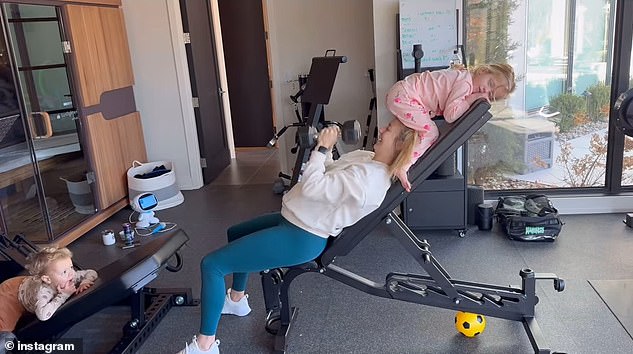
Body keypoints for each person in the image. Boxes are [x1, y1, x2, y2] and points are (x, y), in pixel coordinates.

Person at [178, 119, 418, 354]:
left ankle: (204, 345)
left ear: (398, 145)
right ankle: (237, 300)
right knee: (236, 233)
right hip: (294, 219)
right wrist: (329, 151)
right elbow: (331, 174)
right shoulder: (367, 158)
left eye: (389, 129)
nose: (382, 129)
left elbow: (313, 187)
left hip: (301, 237)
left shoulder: (368, 183)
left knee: (212, 265)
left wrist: (321, 148)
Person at [386, 63, 516, 192]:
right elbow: (451, 115)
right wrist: (472, 99)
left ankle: (391, 160)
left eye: (491, 95)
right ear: (483, 71)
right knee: (430, 133)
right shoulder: (465, 84)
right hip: (405, 95)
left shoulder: (463, 77)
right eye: (490, 83)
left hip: (403, 92)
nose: (485, 91)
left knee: (414, 132)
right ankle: (403, 166)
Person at [18, 247, 98, 321]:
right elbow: (42, 315)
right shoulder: (42, 292)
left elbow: (91, 272)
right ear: (47, 279)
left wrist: (84, 282)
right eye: (64, 272)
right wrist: (63, 295)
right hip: (21, 291)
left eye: (71, 267)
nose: (71, 273)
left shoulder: (70, 277)